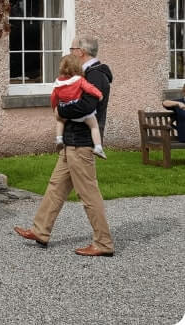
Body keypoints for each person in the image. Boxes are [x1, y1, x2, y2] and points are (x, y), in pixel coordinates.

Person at [14, 36, 114, 257]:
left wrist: (61, 111)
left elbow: (87, 107)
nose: (70, 52)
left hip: (82, 142)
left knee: (88, 194)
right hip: (71, 141)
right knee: (55, 187)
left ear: (81, 52)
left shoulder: (96, 76)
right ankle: (40, 231)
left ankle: (103, 243)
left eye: (72, 48)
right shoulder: (83, 75)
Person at [52, 54, 106, 159]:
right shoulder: (79, 80)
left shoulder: (58, 83)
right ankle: (98, 147)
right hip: (80, 112)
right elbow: (89, 88)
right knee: (94, 126)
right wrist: (99, 94)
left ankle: (59, 138)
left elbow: (53, 97)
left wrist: (55, 108)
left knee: (60, 121)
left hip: (65, 110)